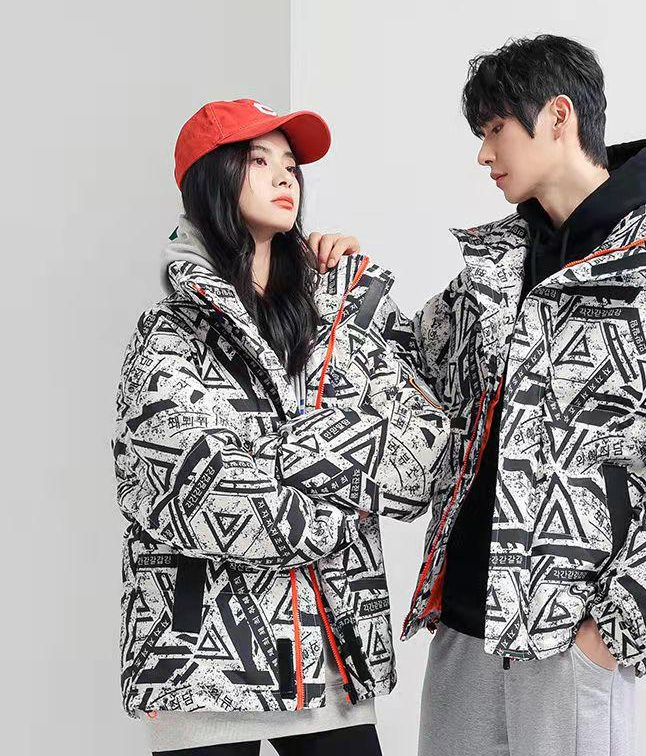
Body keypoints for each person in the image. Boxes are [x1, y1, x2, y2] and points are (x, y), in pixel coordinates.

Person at [310, 34, 646, 756]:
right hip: (463, 626)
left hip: (569, 638)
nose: (484, 155)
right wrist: (344, 284)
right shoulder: (493, 273)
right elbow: (413, 365)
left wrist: (612, 631)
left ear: (557, 116)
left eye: (495, 130)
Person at [111, 98, 449, 756]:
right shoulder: (167, 336)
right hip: (203, 668)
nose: (284, 176)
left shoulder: (340, 311)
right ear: (212, 180)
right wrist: (337, 483)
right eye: (259, 160)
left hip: (332, 658)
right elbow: (198, 496)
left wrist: (344, 305)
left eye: (290, 164)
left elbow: (421, 457)